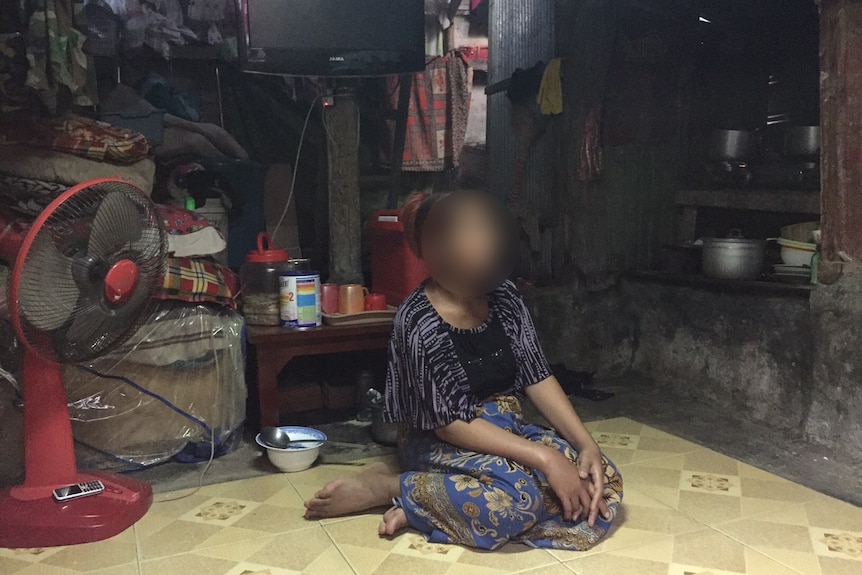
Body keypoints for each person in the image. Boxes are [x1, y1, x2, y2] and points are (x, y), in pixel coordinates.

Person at [304, 191, 623, 551]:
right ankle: (392, 487)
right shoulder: (417, 320)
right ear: (432, 248)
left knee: (603, 479)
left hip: (508, 429)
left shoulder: (505, 296)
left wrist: (586, 445)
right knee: (517, 501)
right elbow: (449, 424)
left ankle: (429, 508)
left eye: (485, 229)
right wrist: (545, 458)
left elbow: (537, 375)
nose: (482, 241)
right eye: (465, 232)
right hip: (443, 441)